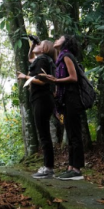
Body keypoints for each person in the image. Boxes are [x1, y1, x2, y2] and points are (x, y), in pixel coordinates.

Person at [39, 35, 85, 180]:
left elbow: (73, 77)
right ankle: (71, 167)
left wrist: (56, 80)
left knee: (75, 134)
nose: (56, 39)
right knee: (70, 134)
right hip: (66, 100)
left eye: (59, 38)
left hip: (72, 99)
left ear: (65, 43)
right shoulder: (59, 59)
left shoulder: (66, 56)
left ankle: (77, 169)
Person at [17, 39, 57, 179]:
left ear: (45, 49)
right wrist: (33, 44)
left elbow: (42, 81)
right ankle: (48, 167)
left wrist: (25, 77)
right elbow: (30, 58)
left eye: (39, 44)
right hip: (43, 99)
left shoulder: (42, 60)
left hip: (42, 99)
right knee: (44, 133)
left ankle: (48, 168)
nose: (36, 45)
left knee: (44, 134)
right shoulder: (42, 60)